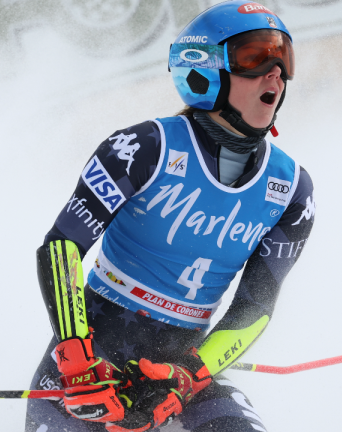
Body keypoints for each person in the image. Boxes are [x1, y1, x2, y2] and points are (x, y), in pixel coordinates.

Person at [25, 2, 315, 431]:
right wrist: (76, 359)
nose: (275, 72)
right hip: (87, 370)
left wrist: (191, 374)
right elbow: (62, 247)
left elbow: (255, 308)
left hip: (182, 376)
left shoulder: (291, 190)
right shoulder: (144, 148)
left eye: (283, 58)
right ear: (206, 72)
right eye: (254, 57)